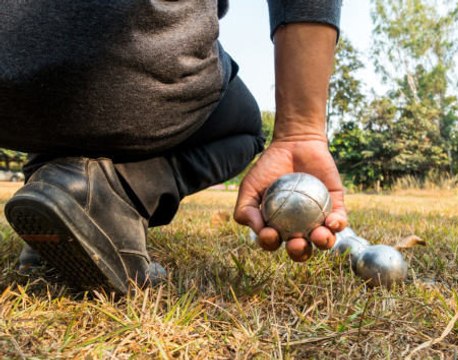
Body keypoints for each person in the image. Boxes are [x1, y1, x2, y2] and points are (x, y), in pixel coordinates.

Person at [0, 0, 347, 294]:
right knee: (245, 127)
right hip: (131, 61)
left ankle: (52, 186)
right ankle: (120, 193)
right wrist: (301, 132)